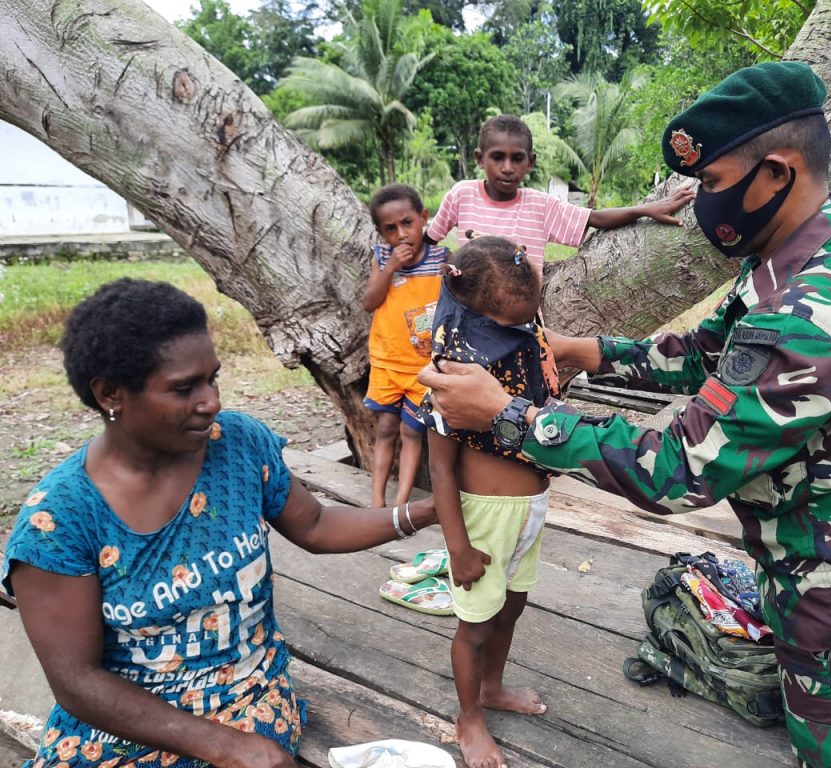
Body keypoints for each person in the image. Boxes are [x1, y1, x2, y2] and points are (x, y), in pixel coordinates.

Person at [419, 62, 831, 768]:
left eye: (711, 182)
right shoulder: (791, 261)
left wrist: (509, 415)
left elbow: (676, 469)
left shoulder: (810, 312)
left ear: (776, 173)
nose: (703, 202)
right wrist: (590, 351)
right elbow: (706, 355)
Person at [1, 278, 437, 768]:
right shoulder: (59, 523)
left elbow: (315, 525)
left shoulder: (236, 446)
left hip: (248, 704)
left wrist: (421, 512)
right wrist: (222, 747)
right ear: (110, 394)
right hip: (124, 732)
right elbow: (78, 682)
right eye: (184, 388)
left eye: (212, 379)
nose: (211, 401)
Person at [420, 237, 557, 768]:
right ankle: (469, 717)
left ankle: (492, 688)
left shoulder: (525, 349)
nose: (518, 336)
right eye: (506, 328)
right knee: (475, 626)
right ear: (472, 322)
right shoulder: (452, 374)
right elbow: (440, 469)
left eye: (527, 323)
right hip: (484, 520)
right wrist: (457, 547)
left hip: (531, 513)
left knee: (513, 606)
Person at [427, 114, 695, 276]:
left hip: (518, 327)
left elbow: (595, 218)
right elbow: (429, 240)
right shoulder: (462, 195)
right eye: (497, 157)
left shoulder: (540, 205)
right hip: (467, 320)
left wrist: (645, 209)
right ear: (479, 158)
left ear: (530, 162)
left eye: (517, 158)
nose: (507, 168)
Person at [363, 184, 449, 508]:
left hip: (423, 369)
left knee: (412, 432)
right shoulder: (382, 257)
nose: (401, 234)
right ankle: (376, 502)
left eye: (407, 223)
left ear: (423, 218)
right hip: (387, 363)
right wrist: (390, 269)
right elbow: (369, 302)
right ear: (380, 233)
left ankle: (400, 504)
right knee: (386, 428)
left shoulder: (441, 258)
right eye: (390, 229)